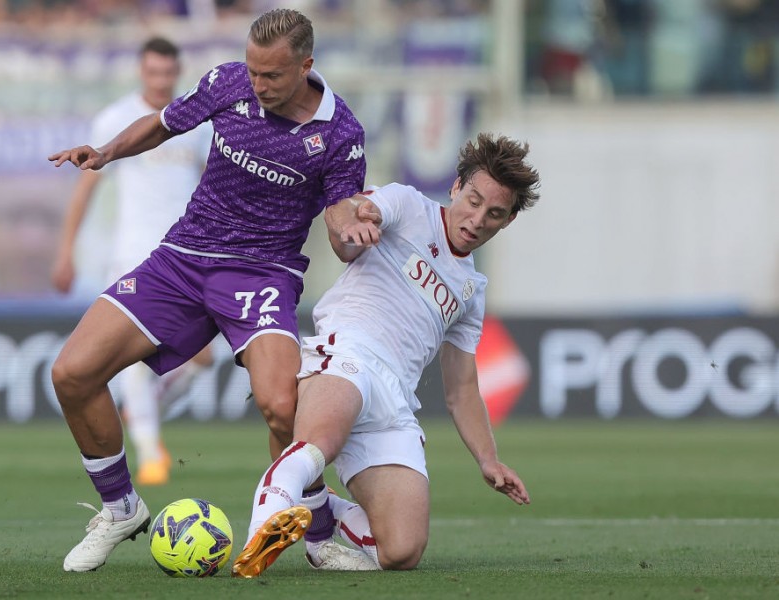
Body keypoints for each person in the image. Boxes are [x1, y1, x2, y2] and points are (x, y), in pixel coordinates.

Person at [47, 8, 367, 572]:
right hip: (184, 257)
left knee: (280, 406)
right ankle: (121, 506)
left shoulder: (341, 135)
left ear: (306, 65)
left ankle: (317, 538)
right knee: (71, 373)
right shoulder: (228, 82)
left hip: (264, 272)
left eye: (271, 76)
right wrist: (105, 154)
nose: (258, 85)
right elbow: (163, 122)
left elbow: (342, 222)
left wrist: (352, 234)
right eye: (253, 70)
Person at [231, 133, 538, 578]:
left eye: (494, 214)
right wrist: (359, 220)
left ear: (506, 221)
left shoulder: (472, 291)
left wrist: (488, 459)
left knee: (401, 552)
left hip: (394, 402)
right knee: (319, 443)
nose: (476, 219)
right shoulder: (408, 205)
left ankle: (321, 508)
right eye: (473, 201)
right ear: (456, 187)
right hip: (348, 353)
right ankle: (260, 535)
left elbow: (462, 388)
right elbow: (350, 223)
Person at [50, 36, 214, 487]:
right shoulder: (119, 118)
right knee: (136, 357)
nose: (161, 81)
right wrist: (66, 252)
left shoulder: (196, 121)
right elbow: (85, 189)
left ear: (176, 73)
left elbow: (208, 183)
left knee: (204, 359)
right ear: (142, 72)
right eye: (153, 73)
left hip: (184, 252)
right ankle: (148, 452)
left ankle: (144, 414)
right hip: (133, 254)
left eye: (168, 73)